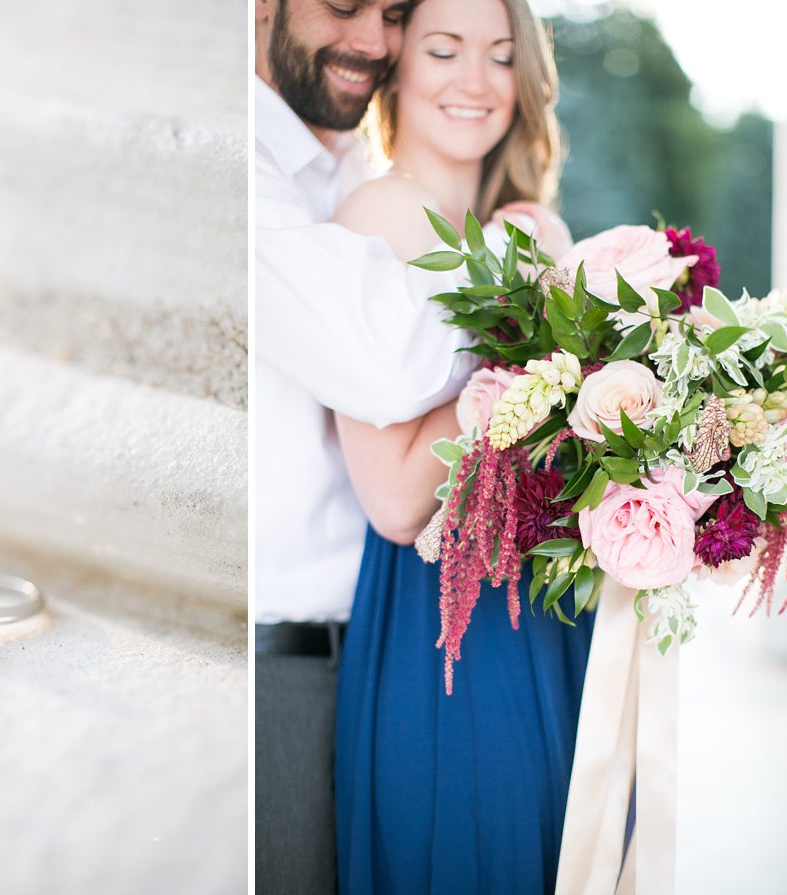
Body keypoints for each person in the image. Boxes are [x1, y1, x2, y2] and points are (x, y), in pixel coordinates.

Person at [253, 0, 569, 891]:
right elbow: (394, 498)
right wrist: (526, 375)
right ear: (402, 69)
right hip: (445, 628)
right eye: (443, 49)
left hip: (539, 618)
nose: (475, 80)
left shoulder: (528, 222)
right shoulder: (383, 209)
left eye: (503, 56)